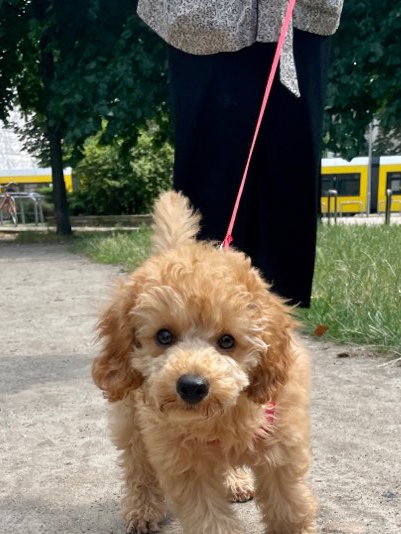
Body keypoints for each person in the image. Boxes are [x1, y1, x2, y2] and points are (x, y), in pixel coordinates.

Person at [137, 0, 344, 309]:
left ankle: (272, 331)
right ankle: (198, 314)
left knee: (288, 178)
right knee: (208, 182)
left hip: (297, 13)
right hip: (205, 16)